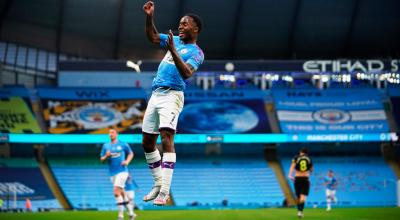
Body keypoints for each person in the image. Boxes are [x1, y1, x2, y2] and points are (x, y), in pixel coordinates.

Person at [141, 1, 204, 206]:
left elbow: (186, 73)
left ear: (195, 29)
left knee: (166, 138)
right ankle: (158, 184)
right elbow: (151, 37)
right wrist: (150, 16)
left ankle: (165, 193)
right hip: (156, 93)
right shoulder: (173, 40)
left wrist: (173, 50)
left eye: (184, 24)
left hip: (172, 95)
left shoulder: (196, 53)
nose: (180, 27)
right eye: (179, 24)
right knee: (147, 142)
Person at [100, 129, 134, 220]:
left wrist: (127, 161)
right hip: (112, 173)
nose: (110, 134)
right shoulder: (106, 146)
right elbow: (101, 160)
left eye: (112, 133)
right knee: (122, 192)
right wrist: (106, 156)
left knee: (116, 192)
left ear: (117, 134)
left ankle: (120, 216)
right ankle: (131, 214)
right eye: (109, 133)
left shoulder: (123, 144)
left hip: (122, 171)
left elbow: (131, 153)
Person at [288, 148, 313, 218]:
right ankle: (300, 211)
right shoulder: (309, 158)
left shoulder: (296, 157)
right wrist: (309, 173)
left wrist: (290, 175)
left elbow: (292, 166)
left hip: (297, 178)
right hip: (305, 178)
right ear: (306, 153)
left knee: (298, 197)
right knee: (303, 196)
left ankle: (299, 211)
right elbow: (311, 169)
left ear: (300, 152)